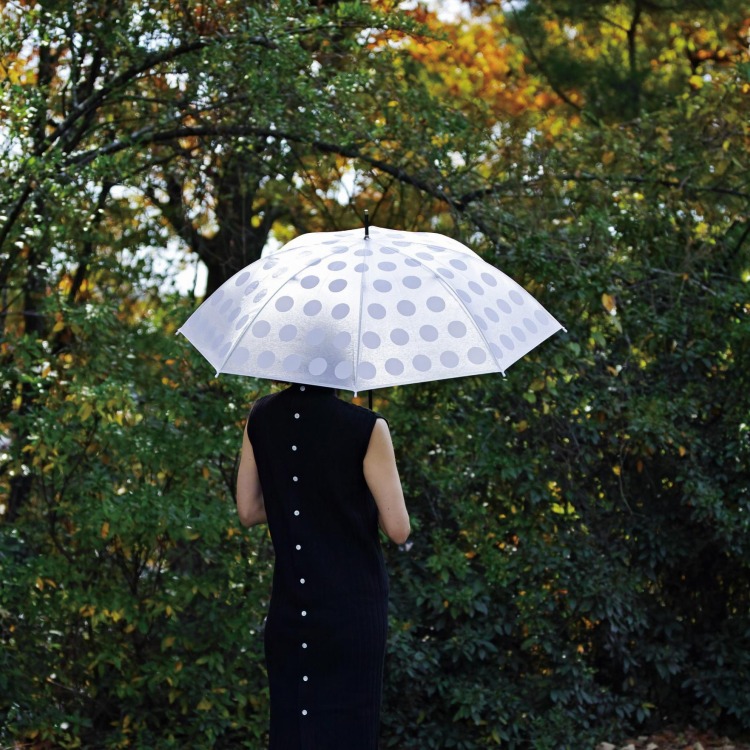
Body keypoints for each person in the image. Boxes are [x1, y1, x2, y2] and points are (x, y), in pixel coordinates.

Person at [236, 382, 409, 750]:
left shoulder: (260, 416)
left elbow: (248, 510)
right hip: (352, 611)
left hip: (289, 609)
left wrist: (301, 503)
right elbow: (398, 529)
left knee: (293, 733)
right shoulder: (367, 427)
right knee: (348, 734)